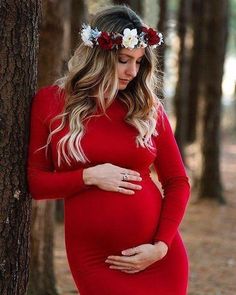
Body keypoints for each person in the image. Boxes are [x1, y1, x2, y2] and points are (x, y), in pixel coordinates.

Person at [27, 5, 190, 295]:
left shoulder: (147, 109)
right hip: (96, 260)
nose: (132, 71)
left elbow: (177, 182)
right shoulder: (51, 103)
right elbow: (36, 183)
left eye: (139, 62)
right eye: (123, 60)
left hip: (158, 257)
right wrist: (88, 176)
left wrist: (161, 245)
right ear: (98, 56)